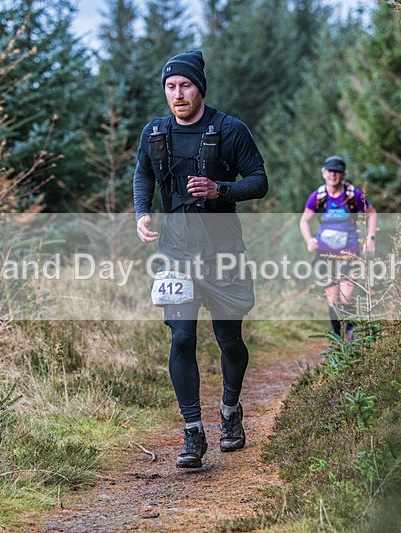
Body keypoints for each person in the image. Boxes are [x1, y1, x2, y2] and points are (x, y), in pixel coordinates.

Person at [133, 50, 268, 468]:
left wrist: (220, 190)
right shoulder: (154, 133)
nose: (178, 94)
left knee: (228, 339)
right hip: (174, 251)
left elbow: (259, 182)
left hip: (223, 250)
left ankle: (230, 411)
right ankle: (193, 432)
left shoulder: (230, 129)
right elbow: (143, 174)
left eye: (185, 85)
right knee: (182, 337)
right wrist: (141, 213)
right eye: (170, 87)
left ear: (199, 89)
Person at [299, 156, 377, 343]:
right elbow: (304, 220)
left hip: (349, 254)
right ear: (324, 173)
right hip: (325, 256)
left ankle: (350, 335)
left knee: (346, 297)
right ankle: (338, 340)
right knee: (333, 300)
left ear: (343, 174)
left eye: (337, 171)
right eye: (330, 171)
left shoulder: (353, 194)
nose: (333, 175)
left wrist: (370, 238)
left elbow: (372, 213)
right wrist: (309, 239)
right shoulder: (318, 196)